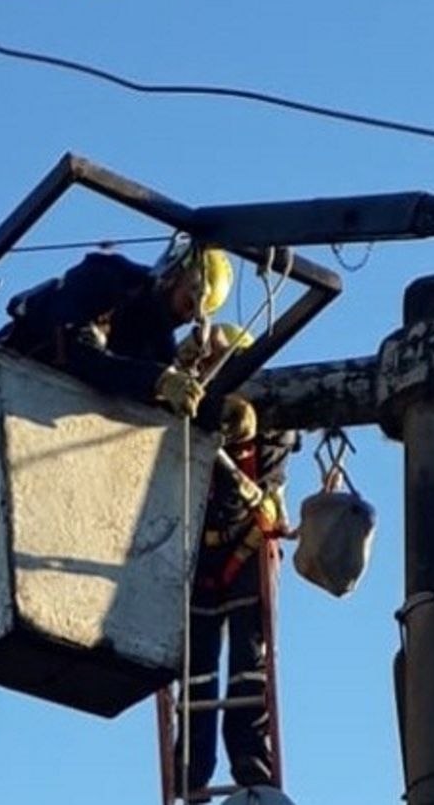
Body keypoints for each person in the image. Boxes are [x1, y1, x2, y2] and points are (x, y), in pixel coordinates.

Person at [173, 323, 296, 798]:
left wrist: (238, 432)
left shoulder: (272, 413)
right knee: (197, 670)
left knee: (250, 663)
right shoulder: (185, 409)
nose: (210, 369)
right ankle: (192, 770)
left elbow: (270, 470)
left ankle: (251, 761)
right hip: (197, 552)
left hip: (245, 548)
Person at [0, 240, 234, 418]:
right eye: (188, 303)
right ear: (174, 275)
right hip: (9, 373)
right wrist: (158, 381)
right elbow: (79, 354)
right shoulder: (107, 278)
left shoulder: (158, 342)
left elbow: (168, 408)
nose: (186, 316)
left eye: (195, 315)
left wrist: (219, 411)